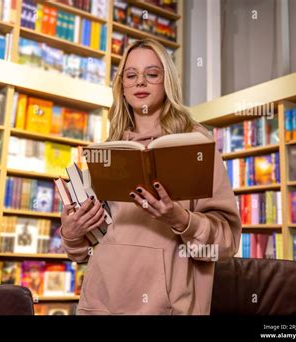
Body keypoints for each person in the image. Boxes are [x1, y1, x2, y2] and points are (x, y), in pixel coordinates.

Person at [58, 38, 242, 315]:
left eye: (152, 74)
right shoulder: (110, 147)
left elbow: (225, 245)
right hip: (99, 305)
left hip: (167, 308)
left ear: (167, 81)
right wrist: (71, 234)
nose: (140, 82)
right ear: (121, 85)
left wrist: (181, 220)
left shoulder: (195, 144)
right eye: (131, 75)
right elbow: (85, 250)